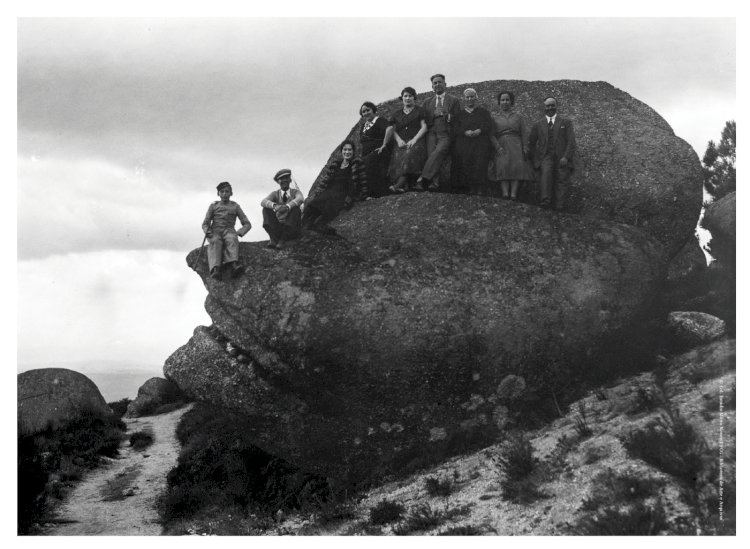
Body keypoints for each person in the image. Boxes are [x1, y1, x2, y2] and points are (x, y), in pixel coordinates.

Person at [302, 140, 367, 232]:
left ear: (353, 151)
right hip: (330, 191)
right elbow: (326, 180)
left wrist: (363, 195)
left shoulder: (357, 163)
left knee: (330, 206)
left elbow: (362, 180)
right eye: (345, 150)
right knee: (313, 204)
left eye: (350, 150)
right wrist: (319, 192)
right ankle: (305, 225)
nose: (347, 152)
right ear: (341, 151)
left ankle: (319, 225)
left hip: (344, 193)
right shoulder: (336, 164)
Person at [527, 96, 577, 210]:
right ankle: (545, 201)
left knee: (562, 179)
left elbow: (571, 141)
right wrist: (536, 158)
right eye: (548, 106)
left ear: (556, 106)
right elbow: (531, 143)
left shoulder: (566, 122)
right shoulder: (538, 124)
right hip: (545, 156)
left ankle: (560, 206)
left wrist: (566, 157)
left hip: (561, 157)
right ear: (544, 108)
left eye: (552, 105)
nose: (550, 108)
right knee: (546, 174)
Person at [416, 73, 461, 191]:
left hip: (445, 132)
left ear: (445, 84)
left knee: (439, 151)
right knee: (432, 154)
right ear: (432, 86)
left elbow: (458, 118)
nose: (437, 85)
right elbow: (424, 119)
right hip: (431, 132)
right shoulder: (427, 102)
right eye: (434, 83)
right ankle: (434, 183)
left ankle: (422, 178)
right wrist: (433, 115)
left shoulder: (454, 100)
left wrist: (446, 115)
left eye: (439, 82)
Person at [488, 90, 535, 201]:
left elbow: (524, 133)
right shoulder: (494, 118)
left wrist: (525, 147)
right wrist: (497, 146)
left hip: (516, 144)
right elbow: (491, 134)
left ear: (511, 102)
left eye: (507, 99)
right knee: (503, 167)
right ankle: (505, 194)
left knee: (516, 168)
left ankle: (513, 194)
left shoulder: (518, 117)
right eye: (502, 100)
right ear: (499, 102)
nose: (505, 102)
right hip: (502, 144)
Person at [202, 181, 252, 280]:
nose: (224, 194)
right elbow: (205, 223)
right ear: (218, 194)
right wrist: (207, 231)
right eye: (222, 192)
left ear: (231, 193)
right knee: (216, 241)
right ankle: (216, 269)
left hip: (229, 230)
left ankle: (234, 264)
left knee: (232, 238)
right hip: (215, 230)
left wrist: (240, 232)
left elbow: (247, 223)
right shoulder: (213, 206)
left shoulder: (235, 206)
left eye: (227, 191)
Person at [449, 88, 492, 194]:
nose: (470, 99)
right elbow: (455, 128)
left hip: (480, 141)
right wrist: (464, 132)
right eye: (467, 97)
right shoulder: (460, 115)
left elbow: (489, 124)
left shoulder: (483, 112)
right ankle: (469, 187)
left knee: (480, 162)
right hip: (465, 142)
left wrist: (480, 130)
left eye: (472, 96)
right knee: (464, 160)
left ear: (476, 97)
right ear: (464, 99)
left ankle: (480, 187)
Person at [387, 87, 428, 194]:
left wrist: (414, 140)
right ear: (402, 98)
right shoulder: (396, 114)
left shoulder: (420, 111)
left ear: (414, 97)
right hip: (401, 142)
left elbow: (424, 127)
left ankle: (398, 185)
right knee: (397, 157)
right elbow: (392, 129)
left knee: (409, 154)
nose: (408, 98)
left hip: (416, 141)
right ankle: (403, 186)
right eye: (405, 96)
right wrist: (399, 140)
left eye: (410, 96)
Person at [261, 169, 304, 249]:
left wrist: (287, 206)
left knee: (296, 209)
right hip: (279, 228)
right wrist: (274, 206)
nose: (284, 180)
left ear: (290, 180)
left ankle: (282, 240)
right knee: (265, 209)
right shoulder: (275, 194)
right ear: (278, 182)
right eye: (281, 179)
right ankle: (273, 238)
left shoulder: (295, 192)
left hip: (292, 229)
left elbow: (300, 199)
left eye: (286, 178)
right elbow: (263, 202)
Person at [359, 101, 394, 198]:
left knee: (367, 163)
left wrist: (384, 144)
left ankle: (375, 192)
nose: (366, 113)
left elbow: (390, 128)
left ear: (373, 110)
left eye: (368, 110)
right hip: (367, 153)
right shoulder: (363, 126)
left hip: (379, 151)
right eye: (364, 111)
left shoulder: (379, 120)